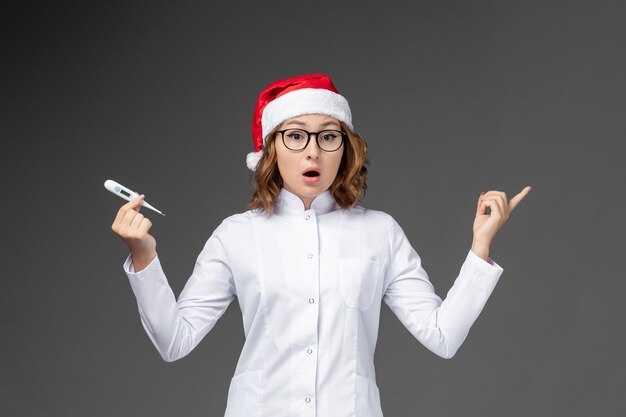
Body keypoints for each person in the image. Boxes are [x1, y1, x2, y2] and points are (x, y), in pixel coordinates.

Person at [111, 74, 531, 417]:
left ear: (344, 149)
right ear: (272, 149)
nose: (313, 151)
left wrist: (480, 245)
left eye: (328, 137)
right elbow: (174, 341)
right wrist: (143, 255)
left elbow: (443, 335)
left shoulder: (379, 232)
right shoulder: (236, 234)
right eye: (296, 136)